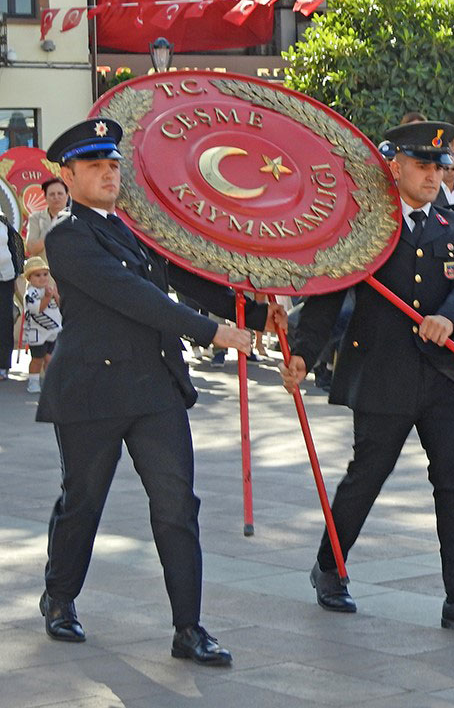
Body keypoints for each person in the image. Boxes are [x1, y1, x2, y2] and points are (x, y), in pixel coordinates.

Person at [37, 118, 280, 664]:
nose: (108, 172)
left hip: (153, 389)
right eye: (94, 165)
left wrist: (257, 314)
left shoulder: (135, 230)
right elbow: (132, 295)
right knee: (83, 503)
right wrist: (211, 331)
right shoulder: (67, 237)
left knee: (176, 506)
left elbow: (184, 277)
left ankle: (188, 628)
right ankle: (59, 597)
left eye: (113, 163)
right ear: (68, 177)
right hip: (92, 392)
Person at [282, 121, 454, 639]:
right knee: (367, 475)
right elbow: (328, 296)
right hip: (383, 371)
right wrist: (303, 355)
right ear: (395, 168)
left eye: (438, 167)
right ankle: (330, 566)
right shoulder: (366, 231)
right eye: (422, 167)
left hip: (444, 374)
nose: (432, 176)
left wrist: (449, 316)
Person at [21, 256, 60, 394]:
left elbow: (60, 306)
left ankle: (50, 383)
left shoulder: (48, 289)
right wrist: (48, 298)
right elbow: (37, 309)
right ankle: (33, 381)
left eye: (45, 274)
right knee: (37, 359)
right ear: (29, 278)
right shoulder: (31, 294)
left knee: (50, 358)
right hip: (37, 333)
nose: (42, 278)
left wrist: (55, 295)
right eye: (38, 275)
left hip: (52, 331)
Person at [0, 208, 23, 380]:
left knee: (4, 321)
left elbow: (15, 246)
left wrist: (16, 274)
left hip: (5, 279)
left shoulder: (3, 222)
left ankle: (2, 366)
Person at [24, 177, 71, 257]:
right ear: (45, 197)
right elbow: (31, 249)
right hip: (44, 267)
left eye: (60, 193)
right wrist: (52, 229)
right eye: (52, 194)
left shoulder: (76, 218)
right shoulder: (35, 218)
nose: (56, 197)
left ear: (67, 196)